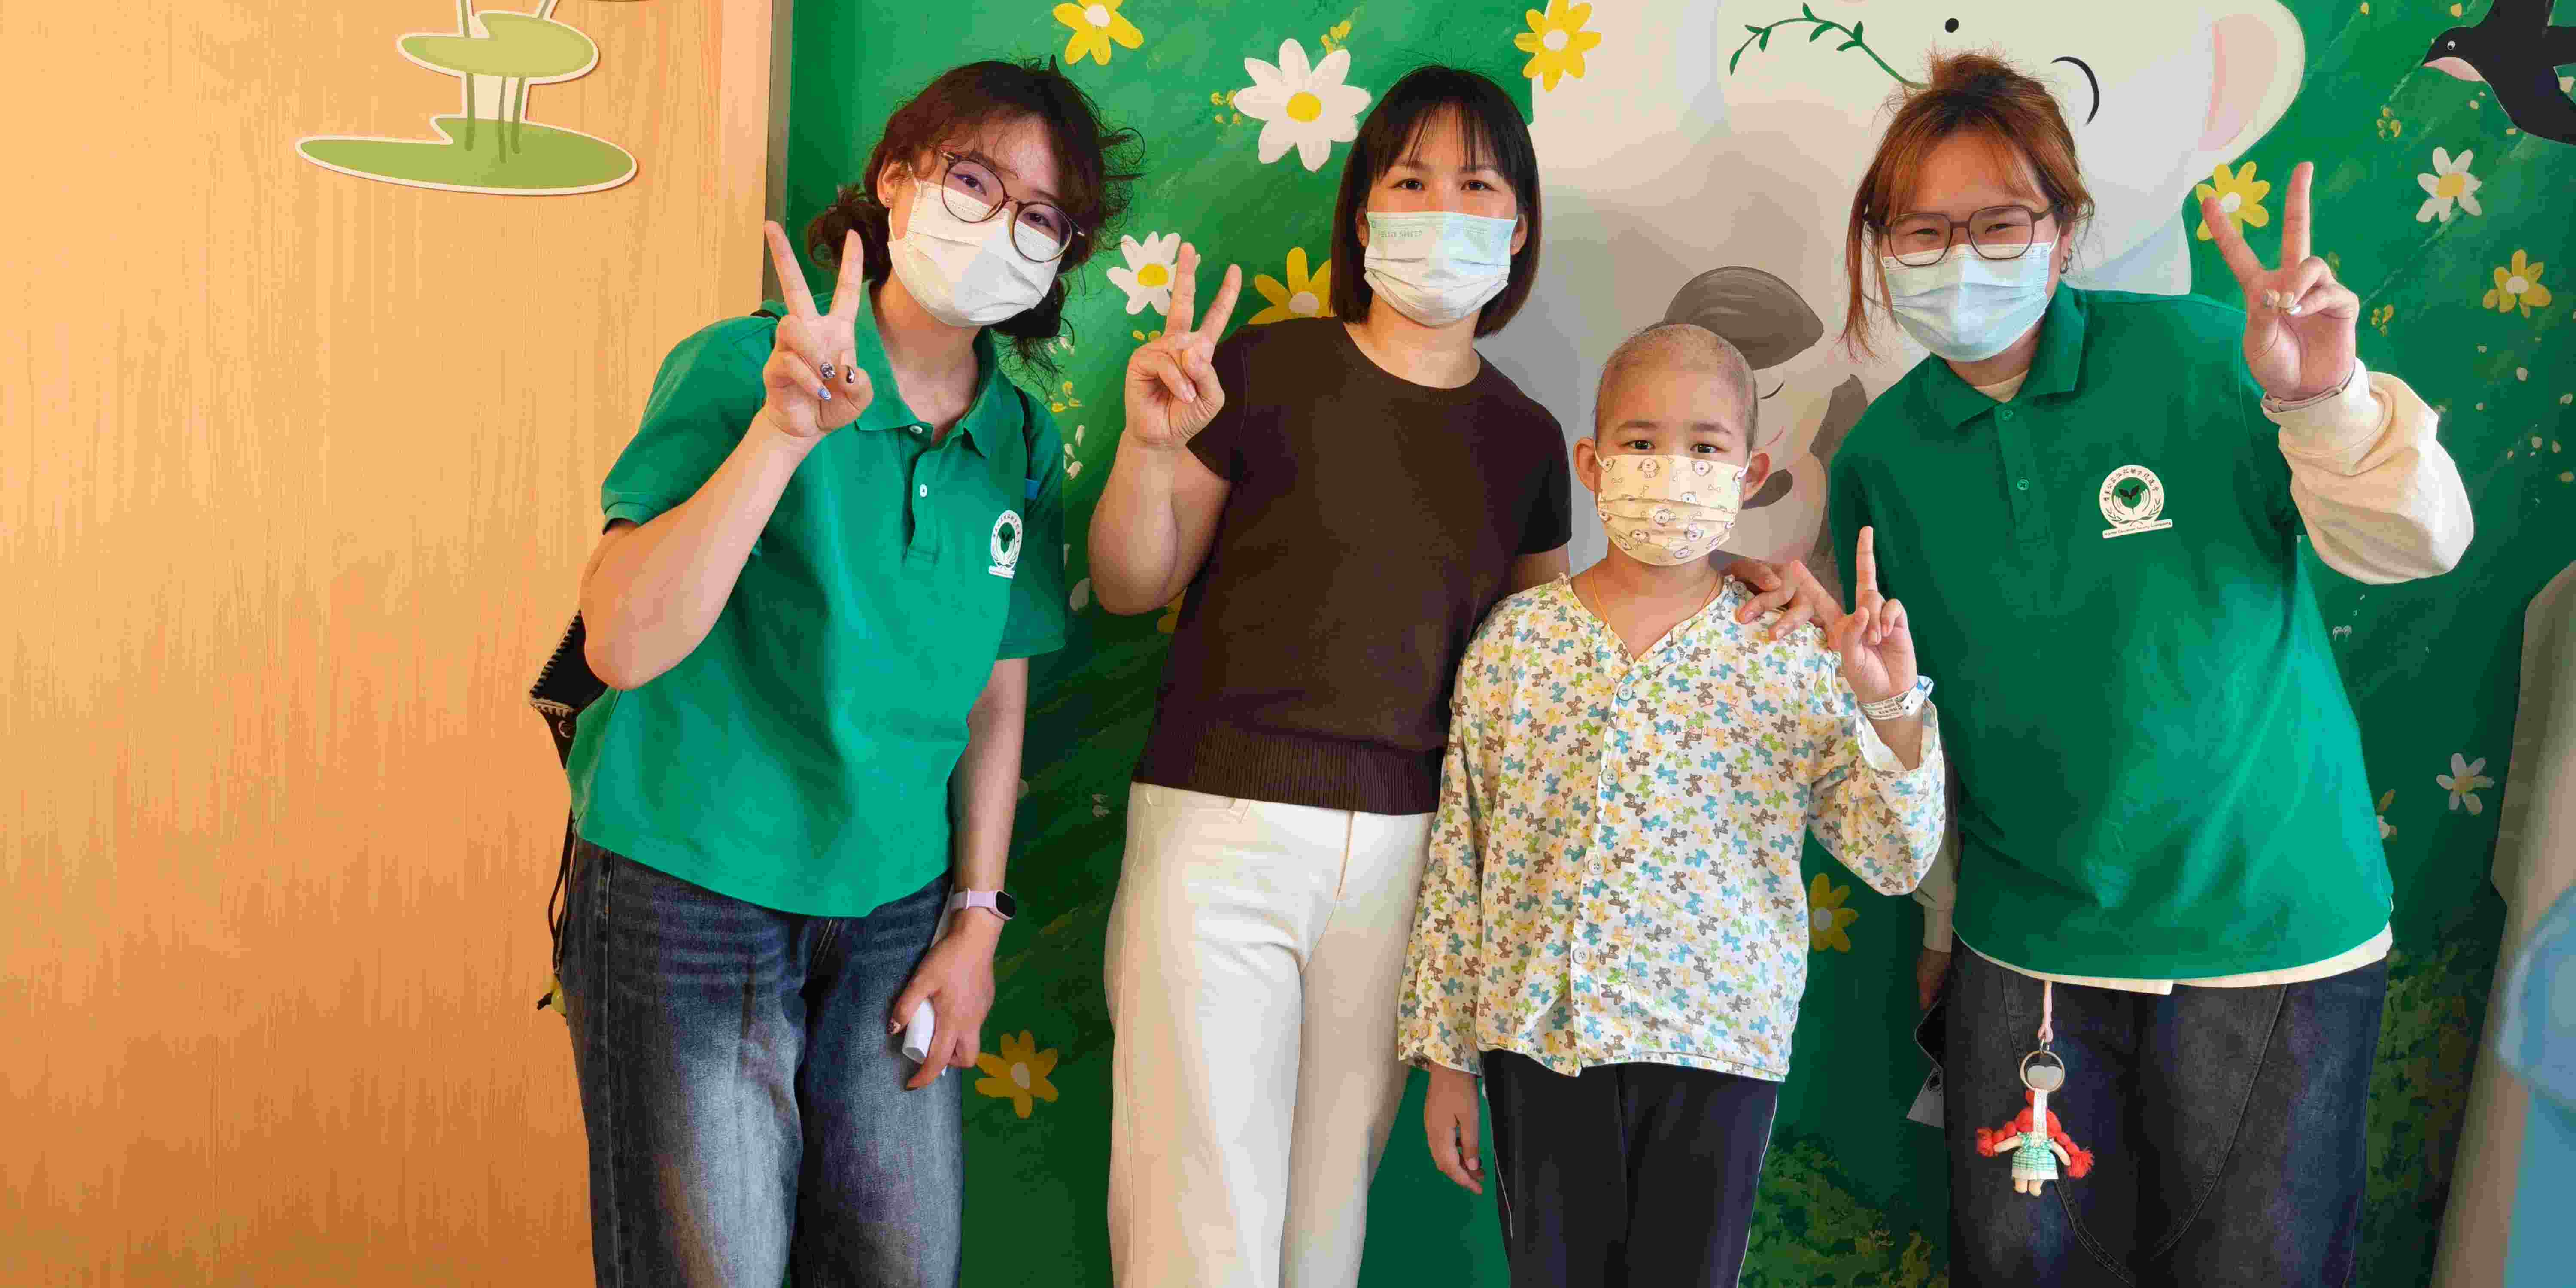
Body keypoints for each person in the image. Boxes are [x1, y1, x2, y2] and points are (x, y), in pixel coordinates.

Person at [1085, 66, 1836, 1288]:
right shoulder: (1264, 371)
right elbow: (1130, 583)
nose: (1443, 207)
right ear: (1362, 215)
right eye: (1410, 179)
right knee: (1197, 1220)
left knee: (1325, 1223)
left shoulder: (1528, 439)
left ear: (1520, 225)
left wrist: (1728, 576)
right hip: (1218, 832)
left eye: (1478, 184)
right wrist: (1149, 447)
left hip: (1406, 856)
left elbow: (1553, 653)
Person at [1826, 52, 2474, 1288]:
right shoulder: (1883, 459)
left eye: (2000, 222)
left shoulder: (2208, 356)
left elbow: (2419, 544)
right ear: (1880, 246)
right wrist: (1945, 923)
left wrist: (2327, 400)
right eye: (1924, 230)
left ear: (2064, 232)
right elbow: (1923, 729)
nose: (1961, 258)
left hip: (2272, 934)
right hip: (2029, 953)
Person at [554, 60, 1132, 1288]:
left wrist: (976, 919)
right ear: (896, 180)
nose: (1002, 225)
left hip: (893, 912)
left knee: (898, 1263)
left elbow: (997, 692)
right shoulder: (739, 368)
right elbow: (620, 643)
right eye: (973, 181)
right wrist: (780, 436)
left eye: (1042, 215)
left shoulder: (1021, 441)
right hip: (692, 885)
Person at [1394, 322, 1948, 1287]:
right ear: (1593, 463)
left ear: (1751, 472)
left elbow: (1895, 858)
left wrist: (1892, 706)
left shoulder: (1788, 649)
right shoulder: (1516, 643)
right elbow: (1462, 859)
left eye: (1705, 445)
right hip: (1540, 1042)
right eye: (1642, 442)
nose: (1672, 468)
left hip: (1719, 1044)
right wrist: (1448, 1058)